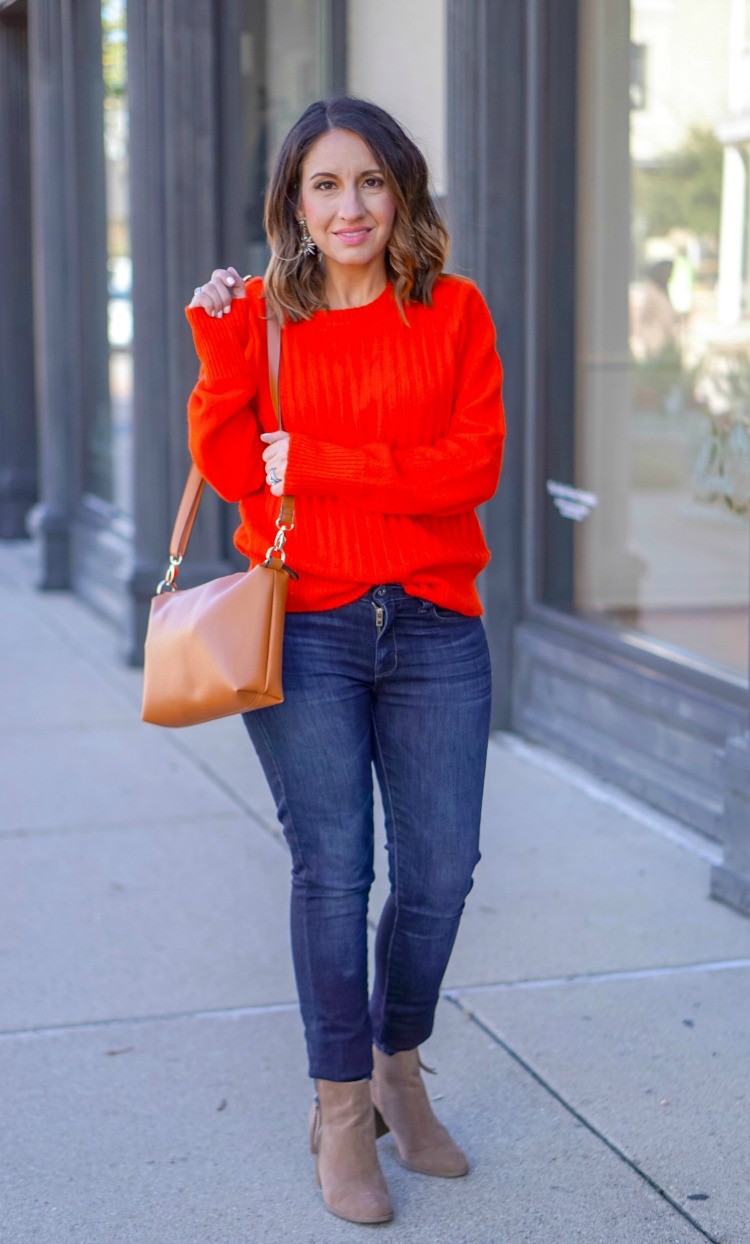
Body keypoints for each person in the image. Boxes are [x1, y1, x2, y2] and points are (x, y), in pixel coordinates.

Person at [184, 96, 505, 1226]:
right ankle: (337, 1107)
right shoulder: (265, 318)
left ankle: (397, 1064)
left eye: (369, 180)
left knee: (443, 870)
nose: (350, 205)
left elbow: (467, 470)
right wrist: (223, 341)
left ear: (401, 190)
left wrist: (316, 458)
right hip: (307, 621)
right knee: (334, 871)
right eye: (325, 185)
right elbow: (234, 468)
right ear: (294, 205)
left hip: (431, 622)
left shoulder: (456, 314)